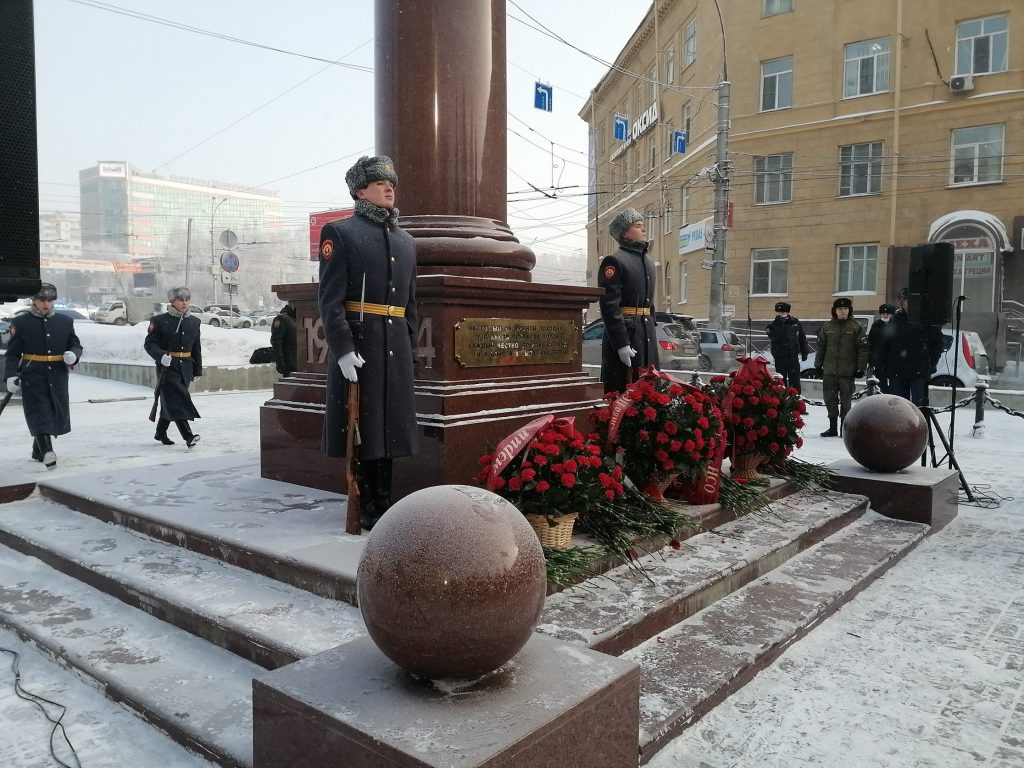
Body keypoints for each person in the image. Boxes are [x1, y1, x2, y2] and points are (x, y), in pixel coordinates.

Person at [318, 155, 418, 531]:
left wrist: (408, 343)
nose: (389, 187)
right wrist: (342, 349)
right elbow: (329, 299)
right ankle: (364, 501)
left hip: (394, 345)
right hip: (361, 344)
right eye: (379, 183)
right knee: (364, 427)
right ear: (360, 190)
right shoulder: (341, 232)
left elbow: (410, 303)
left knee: (390, 426)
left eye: (391, 182)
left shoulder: (407, 241)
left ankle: (384, 501)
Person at [4, 282, 83, 469]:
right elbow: (13, 353)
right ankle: (47, 451)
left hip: (58, 374)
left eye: (49, 300)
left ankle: (37, 450)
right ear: (34, 300)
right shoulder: (21, 323)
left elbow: (75, 344)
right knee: (39, 411)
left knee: (53, 410)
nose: (45, 304)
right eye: (41, 300)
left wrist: (74, 355)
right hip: (33, 374)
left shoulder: (65, 321)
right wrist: (10, 375)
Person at [598, 208, 659, 395]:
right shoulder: (614, 261)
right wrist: (621, 343)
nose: (644, 229)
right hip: (628, 333)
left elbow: (648, 302)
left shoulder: (648, 262)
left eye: (643, 225)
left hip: (645, 331)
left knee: (649, 386)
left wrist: (651, 322)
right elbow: (609, 306)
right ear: (625, 232)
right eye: (638, 226)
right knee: (624, 387)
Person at [144, 286, 203, 447]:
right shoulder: (159, 321)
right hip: (167, 367)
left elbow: (196, 347)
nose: (184, 303)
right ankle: (188, 436)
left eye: (187, 300)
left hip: (186, 367)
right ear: (172, 302)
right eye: (180, 300)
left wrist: (198, 369)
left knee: (171, 401)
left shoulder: (194, 322)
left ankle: (160, 432)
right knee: (178, 400)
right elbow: (149, 344)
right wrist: (161, 356)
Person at [815, 297, 867, 437]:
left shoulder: (856, 327)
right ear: (835, 311)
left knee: (846, 401)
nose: (842, 311)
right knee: (830, 399)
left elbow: (862, 349)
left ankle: (844, 429)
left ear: (849, 310)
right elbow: (821, 348)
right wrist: (818, 365)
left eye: (845, 308)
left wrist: (860, 368)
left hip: (847, 373)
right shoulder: (827, 327)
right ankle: (832, 428)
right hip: (830, 371)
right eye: (839, 309)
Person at [882, 289, 943, 407]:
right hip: (897, 371)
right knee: (898, 407)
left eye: (911, 301)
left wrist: (932, 364)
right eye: (905, 301)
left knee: (918, 407)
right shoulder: (895, 319)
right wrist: (887, 366)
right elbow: (886, 345)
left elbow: (937, 344)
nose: (908, 304)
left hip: (918, 371)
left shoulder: (925, 319)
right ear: (901, 303)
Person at [766, 301, 810, 394]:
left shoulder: (795, 322)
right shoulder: (774, 324)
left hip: (793, 355)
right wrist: (780, 326)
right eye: (779, 312)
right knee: (781, 380)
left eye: (783, 312)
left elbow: (802, 337)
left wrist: (804, 351)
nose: (781, 314)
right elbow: (773, 337)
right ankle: (782, 399)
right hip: (780, 356)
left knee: (795, 379)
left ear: (788, 312)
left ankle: (796, 398)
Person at [867, 303, 897, 393]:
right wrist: (871, 358)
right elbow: (870, 341)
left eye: (887, 313)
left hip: (892, 358)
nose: (885, 315)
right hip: (878, 357)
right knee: (881, 380)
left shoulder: (894, 324)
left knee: (893, 381)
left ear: (891, 314)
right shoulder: (876, 325)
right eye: (883, 314)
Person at [270, 303, 297, 376]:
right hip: (290, 364)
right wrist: (280, 362)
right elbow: (276, 342)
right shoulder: (282, 319)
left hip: (301, 363)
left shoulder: (301, 317)